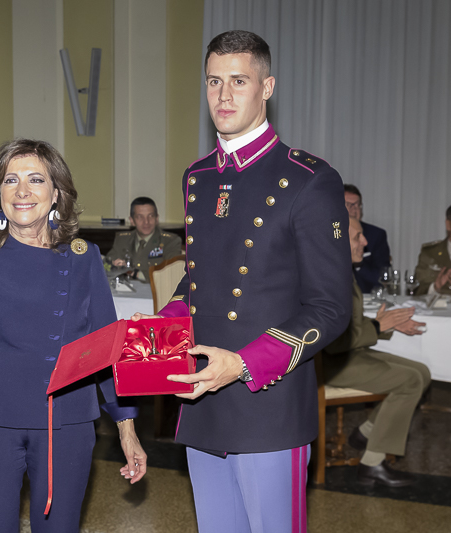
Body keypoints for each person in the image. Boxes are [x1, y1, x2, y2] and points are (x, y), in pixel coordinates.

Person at [133, 31, 352, 532]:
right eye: (214, 81)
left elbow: (330, 307)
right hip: (203, 399)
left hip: (268, 402)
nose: (224, 96)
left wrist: (245, 363)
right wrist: (157, 328)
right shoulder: (199, 176)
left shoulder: (309, 179)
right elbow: (200, 280)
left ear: (267, 86)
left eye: (239, 81)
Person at [0, 139, 146, 532]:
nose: (23, 191)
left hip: (67, 421)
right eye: (11, 180)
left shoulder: (84, 258)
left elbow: (107, 348)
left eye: (35, 179)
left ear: (56, 193)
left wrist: (126, 429)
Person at [322, 217, 430, 487]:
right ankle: (372, 463)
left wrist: (381, 324)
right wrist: (380, 325)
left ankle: (366, 431)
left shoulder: (342, 270)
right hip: (329, 364)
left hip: (345, 355)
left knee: (422, 371)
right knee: (411, 380)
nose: (365, 242)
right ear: (337, 240)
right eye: (358, 236)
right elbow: (334, 341)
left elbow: (350, 330)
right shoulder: (331, 277)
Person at [105, 197, 182, 280]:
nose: (146, 222)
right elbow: (106, 265)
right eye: (140, 217)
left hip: (154, 291)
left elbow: (172, 273)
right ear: (132, 221)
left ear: (157, 219)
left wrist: (136, 274)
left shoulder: (170, 241)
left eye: (151, 216)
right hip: (125, 290)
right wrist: (113, 265)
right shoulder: (123, 239)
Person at [344, 184, 391, 293]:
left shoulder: (376, 235)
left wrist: (357, 263)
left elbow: (383, 277)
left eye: (357, 205)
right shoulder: (327, 234)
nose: (354, 210)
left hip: (367, 297)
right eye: (348, 205)